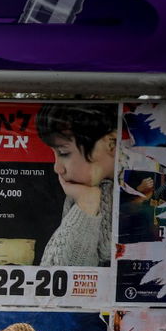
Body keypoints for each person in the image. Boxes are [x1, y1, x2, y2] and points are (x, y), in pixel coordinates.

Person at [37, 103, 118, 267]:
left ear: (110, 144)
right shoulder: (81, 192)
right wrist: (86, 203)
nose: (57, 168)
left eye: (64, 153)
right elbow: (55, 276)